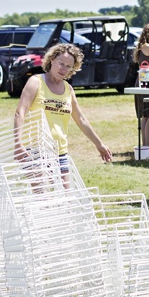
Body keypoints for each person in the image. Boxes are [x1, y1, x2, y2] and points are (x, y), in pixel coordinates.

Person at [13, 42, 113, 190]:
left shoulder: (68, 89)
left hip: (60, 152)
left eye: (68, 66)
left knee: (66, 196)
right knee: (43, 194)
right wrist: (18, 143)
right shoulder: (36, 82)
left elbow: (81, 119)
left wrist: (99, 144)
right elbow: (19, 112)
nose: (63, 68)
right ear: (52, 60)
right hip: (35, 149)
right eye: (60, 63)